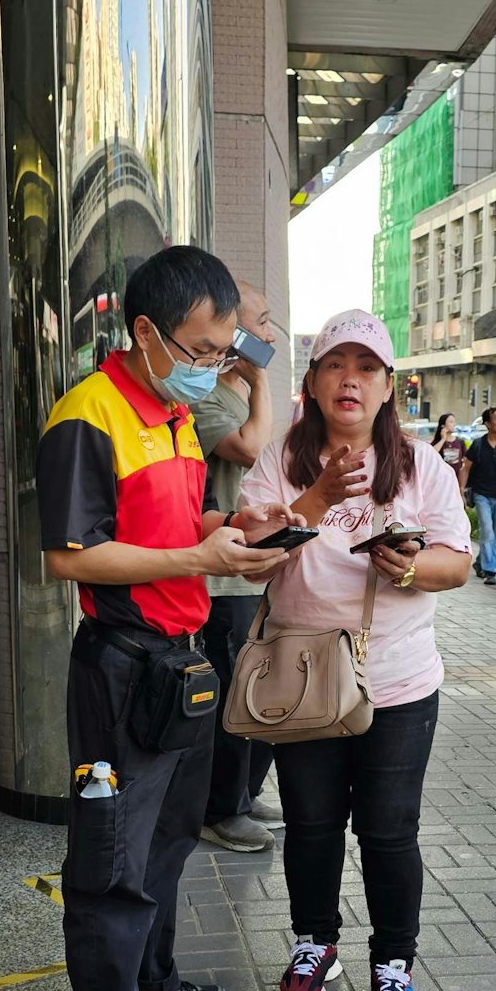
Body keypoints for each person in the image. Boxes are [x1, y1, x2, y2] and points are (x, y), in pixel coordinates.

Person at [39, 246, 300, 991]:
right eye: (198, 348)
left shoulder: (177, 418)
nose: (210, 367)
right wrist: (198, 555)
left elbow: (181, 523)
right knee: (111, 868)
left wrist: (236, 525)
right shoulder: (90, 413)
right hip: (120, 665)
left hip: (181, 660)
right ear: (145, 332)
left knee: (169, 841)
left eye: (223, 350)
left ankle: (153, 984)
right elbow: (68, 555)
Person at [238, 308, 471, 991]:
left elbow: (456, 563)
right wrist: (313, 501)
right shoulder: (281, 459)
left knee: (389, 830)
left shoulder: (419, 465)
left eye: (367, 367)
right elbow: (249, 559)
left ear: (388, 385)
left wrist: (411, 564)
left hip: (396, 682)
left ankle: (393, 967)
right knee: (311, 826)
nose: (351, 379)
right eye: (336, 364)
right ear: (311, 381)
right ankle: (316, 945)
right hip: (303, 678)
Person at [191, 281, 281, 853]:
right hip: (221, 571)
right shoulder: (203, 395)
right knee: (235, 693)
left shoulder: (241, 391)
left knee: (264, 687)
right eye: (262, 322)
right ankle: (219, 810)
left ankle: (243, 795)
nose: (270, 334)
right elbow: (250, 449)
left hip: (255, 562)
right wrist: (260, 377)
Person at [460, 405, 496, 586]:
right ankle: (490, 571)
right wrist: (461, 491)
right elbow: (465, 469)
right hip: (481, 494)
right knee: (487, 532)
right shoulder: (478, 445)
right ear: (487, 423)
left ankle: (480, 562)